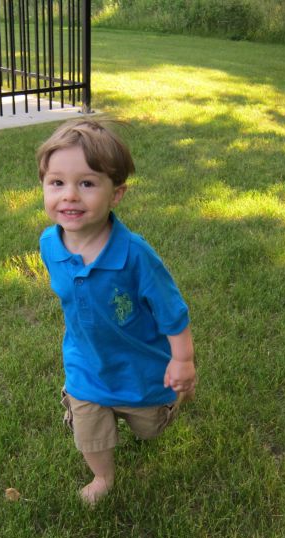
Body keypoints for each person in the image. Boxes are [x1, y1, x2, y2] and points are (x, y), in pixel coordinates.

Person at [37, 118, 196, 505]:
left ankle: (174, 400)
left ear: (116, 194)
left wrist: (182, 361)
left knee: (149, 429)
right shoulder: (49, 244)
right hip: (86, 364)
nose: (70, 196)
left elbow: (171, 310)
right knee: (89, 430)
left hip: (141, 366)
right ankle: (103, 477)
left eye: (87, 184)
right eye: (57, 183)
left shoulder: (135, 255)